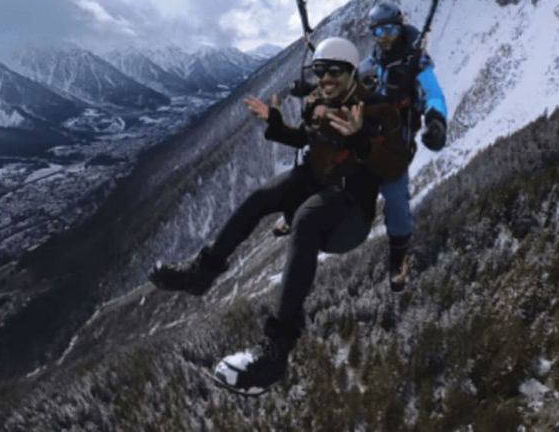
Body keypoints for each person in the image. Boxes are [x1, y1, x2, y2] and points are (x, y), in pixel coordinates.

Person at [149, 37, 409, 396]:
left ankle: (277, 350)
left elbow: (395, 164)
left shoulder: (377, 111)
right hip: (317, 181)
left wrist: (361, 139)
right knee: (260, 197)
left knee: (305, 219)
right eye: (320, 71)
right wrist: (274, 123)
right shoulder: (318, 99)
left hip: (350, 204)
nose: (326, 79)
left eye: (334, 71)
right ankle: (203, 272)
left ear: (352, 73)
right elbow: (308, 139)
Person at [360, 2, 448, 292]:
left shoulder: (415, 63)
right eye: (378, 31)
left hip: (396, 149)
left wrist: (436, 120)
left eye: (389, 30)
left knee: (397, 204)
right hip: (367, 141)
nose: (384, 37)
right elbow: (349, 85)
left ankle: (398, 259)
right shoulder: (371, 62)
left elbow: (433, 93)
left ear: (399, 28)